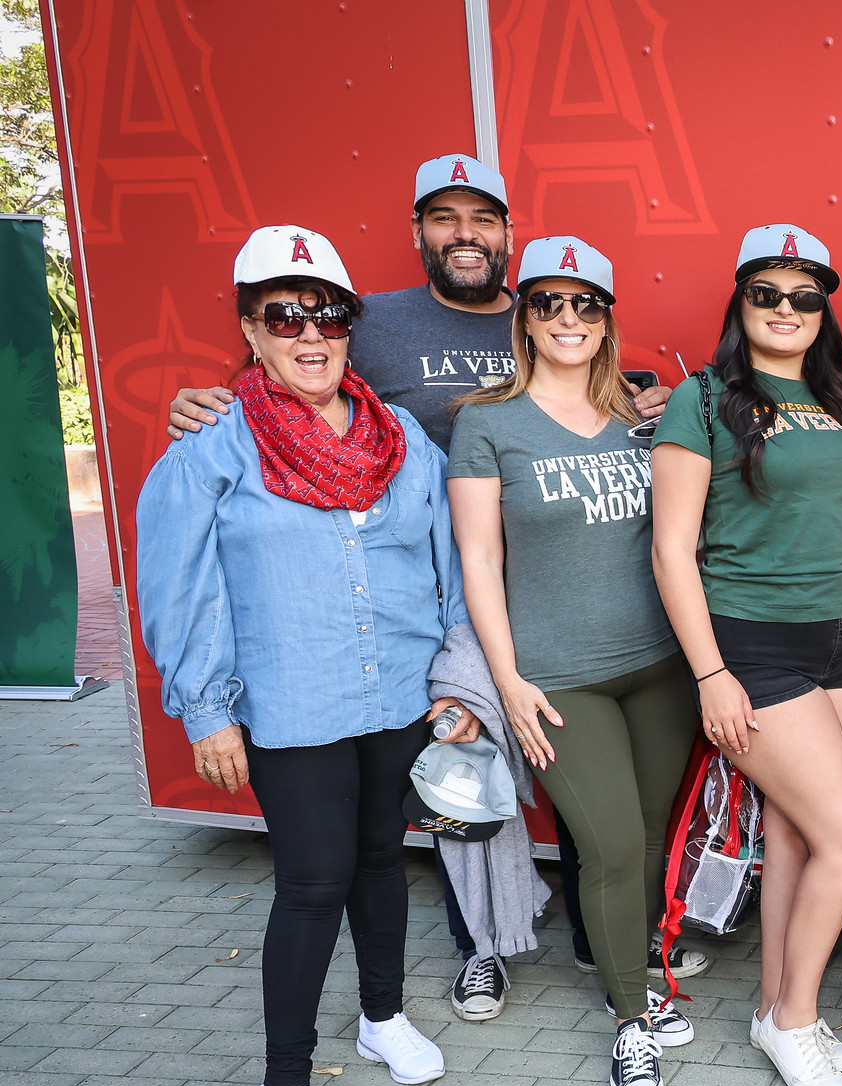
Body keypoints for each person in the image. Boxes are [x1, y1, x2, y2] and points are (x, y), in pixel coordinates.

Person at [160, 154, 698, 1021]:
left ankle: (607, 941)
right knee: (465, 786)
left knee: (568, 803)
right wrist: (206, 401)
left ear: (508, 237)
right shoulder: (375, 324)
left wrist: (650, 403)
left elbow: (617, 409)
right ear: (419, 232)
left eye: (481, 218)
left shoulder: (556, 338)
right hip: (460, 590)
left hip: (536, 591)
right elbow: (289, 377)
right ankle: (479, 945)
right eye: (444, 218)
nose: (464, 234)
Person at [137, 226, 473, 1086]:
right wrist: (207, 707)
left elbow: (447, 563)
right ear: (250, 330)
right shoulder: (213, 446)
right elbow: (180, 588)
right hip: (293, 701)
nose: (309, 332)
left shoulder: (399, 436)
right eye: (283, 315)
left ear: (350, 325)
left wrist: (457, 681)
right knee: (314, 881)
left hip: (398, 692)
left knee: (380, 859)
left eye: (328, 312)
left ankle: (383, 1015)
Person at [445, 236, 697, 1086]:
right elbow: (479, 561)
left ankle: (642, 972)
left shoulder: (643, 415)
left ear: (607, 320)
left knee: (654, 834)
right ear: (524, 320)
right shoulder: (487, 420)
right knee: (612, 843)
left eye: (585, 304)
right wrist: (509, 681)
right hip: (561, 678)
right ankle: (631, 1020)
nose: (567, 319)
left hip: (659, 666)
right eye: (548, 303)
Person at [649, 225, 842, 1086]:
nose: (785, 310)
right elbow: (672, 551)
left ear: (822, 312)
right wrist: (711, 674)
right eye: (766, 294)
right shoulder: (701, 399)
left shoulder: (838, 400)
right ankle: (793, 1023)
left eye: (804, 296)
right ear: (739, 304)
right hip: (752, 643)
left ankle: (774, 1006)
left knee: (796, 833)